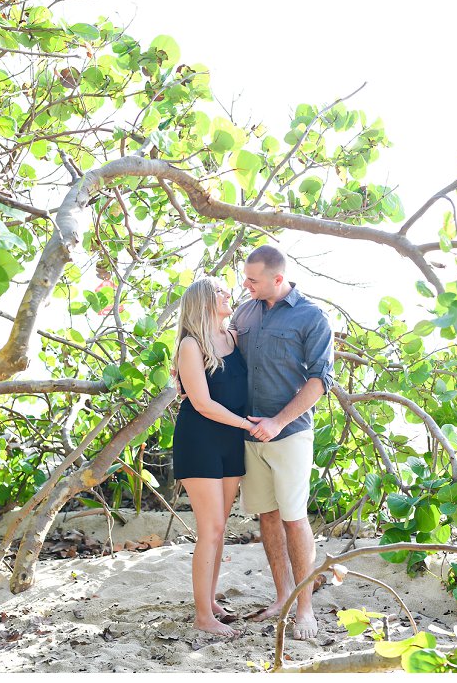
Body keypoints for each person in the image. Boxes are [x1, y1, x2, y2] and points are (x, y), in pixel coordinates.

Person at [231, 244, 335, 640]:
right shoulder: (245, 311)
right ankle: (282, 597)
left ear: (278, 279)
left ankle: (305, 610)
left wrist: (277, 422)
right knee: (268, 516)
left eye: (253, 279)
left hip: (289, 434)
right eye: (245, 278)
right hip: (248, 433)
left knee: (294, 518)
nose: (246, 285)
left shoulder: (312, 317)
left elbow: (320, 382)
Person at [171, 276, 260, 637]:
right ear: (204, 301)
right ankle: (202, 617)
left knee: (220, 529)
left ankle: (210, 602)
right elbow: (203, 404)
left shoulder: (233, 336)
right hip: (201, 438)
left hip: (231, 440)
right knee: (209, 529)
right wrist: (245, 424)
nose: (229, 294)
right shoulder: (191, 345)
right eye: (220, 291)